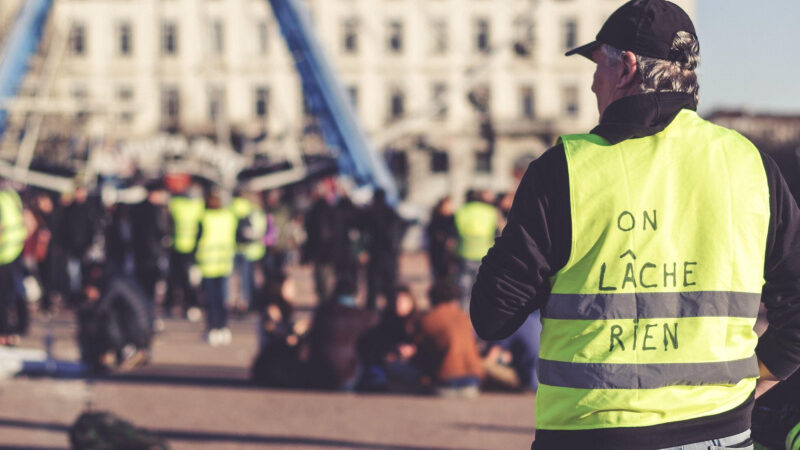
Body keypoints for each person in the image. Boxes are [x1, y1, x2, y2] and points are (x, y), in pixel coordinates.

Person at [470, 1, 800, 448]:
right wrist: (754, 374)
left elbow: (492, 316)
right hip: (721, 431)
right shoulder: (751, 166)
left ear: (625, 68)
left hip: (591, 433)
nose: (591, 82)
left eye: (597, 65)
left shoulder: (564, 171)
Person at [414, 281, 484, 398]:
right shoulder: (465, 317)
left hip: (446, 381)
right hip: (474, 380)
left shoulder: (428, 319)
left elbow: (422, 355)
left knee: (397, 368)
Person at [195, 188, 238, 346]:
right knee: (221, 298)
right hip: (224, 261)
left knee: (211, 299)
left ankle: (213, 328)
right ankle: (223, 327)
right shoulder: (228, 217)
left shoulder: (204, 218)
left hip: (208, 264)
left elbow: (197, 239)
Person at [165, 181, 204, 320]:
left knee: (178, 279)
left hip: (180, 248)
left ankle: (177, 304)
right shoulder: (198, 207)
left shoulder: (177, 205)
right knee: (184, 280)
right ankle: (187, 305)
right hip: (187, 248)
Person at [454, 190, 498, 312]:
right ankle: (482, 310)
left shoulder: (461, 211)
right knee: (482, 283)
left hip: (465, 251)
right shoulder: (490, 212)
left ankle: (464, 310)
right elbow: (495, 232)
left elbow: (457, 232)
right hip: (484, 251)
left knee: (464, 283)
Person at [361, 189, 405, 310]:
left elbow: (363, 232)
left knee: (373, 286)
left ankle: (370, 311)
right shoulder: (391, 212)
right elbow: (402, 228)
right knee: (390, 284)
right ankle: (391, 310)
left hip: (374, 253)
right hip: (389, 254)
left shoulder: (370, 213)